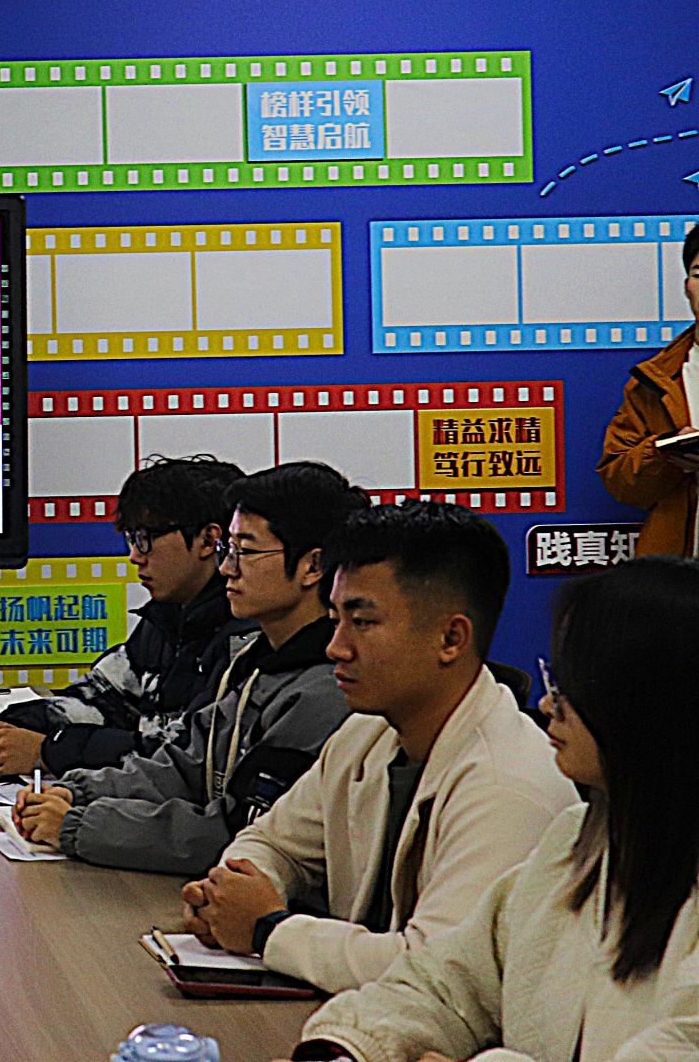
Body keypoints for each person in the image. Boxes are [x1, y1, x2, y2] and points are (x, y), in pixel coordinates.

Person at [277, 557, 699, 1062]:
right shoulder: (573, 845)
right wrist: (349, 1048)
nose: (549, 704)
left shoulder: (513, 781)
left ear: (652, 703)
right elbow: (442, 985)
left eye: (572, 686)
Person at [181, 500, 577, 993]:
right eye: (335, 619)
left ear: (451, 638)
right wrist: (231, 893)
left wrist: (265, 929)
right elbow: (272, 842)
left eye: (362, 623)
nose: (335, 647)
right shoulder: (365, 734)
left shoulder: (508, 785)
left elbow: (435, 972)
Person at [10, 461, 366, 875]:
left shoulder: (324, 689)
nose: (228, 568)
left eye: (246, 552)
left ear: (313, 566)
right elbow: (184, 764)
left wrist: (80, 824)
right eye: (228, 551)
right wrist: (77, 793)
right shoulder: (257, 664)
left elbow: (241, 832)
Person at [0, 454, 251, 779]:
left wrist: (49, 750)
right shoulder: (166, 618)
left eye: (145, 540)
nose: (134, 556)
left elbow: (184, 757)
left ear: (209, 539)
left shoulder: (244, 639)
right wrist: (18, 726)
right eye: (131, 539)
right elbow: (104, 697)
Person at [601, 222, 699, 554]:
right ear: (686, 287)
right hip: (684, 570)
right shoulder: (655, 379)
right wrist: (665, 454)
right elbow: (620, 481)